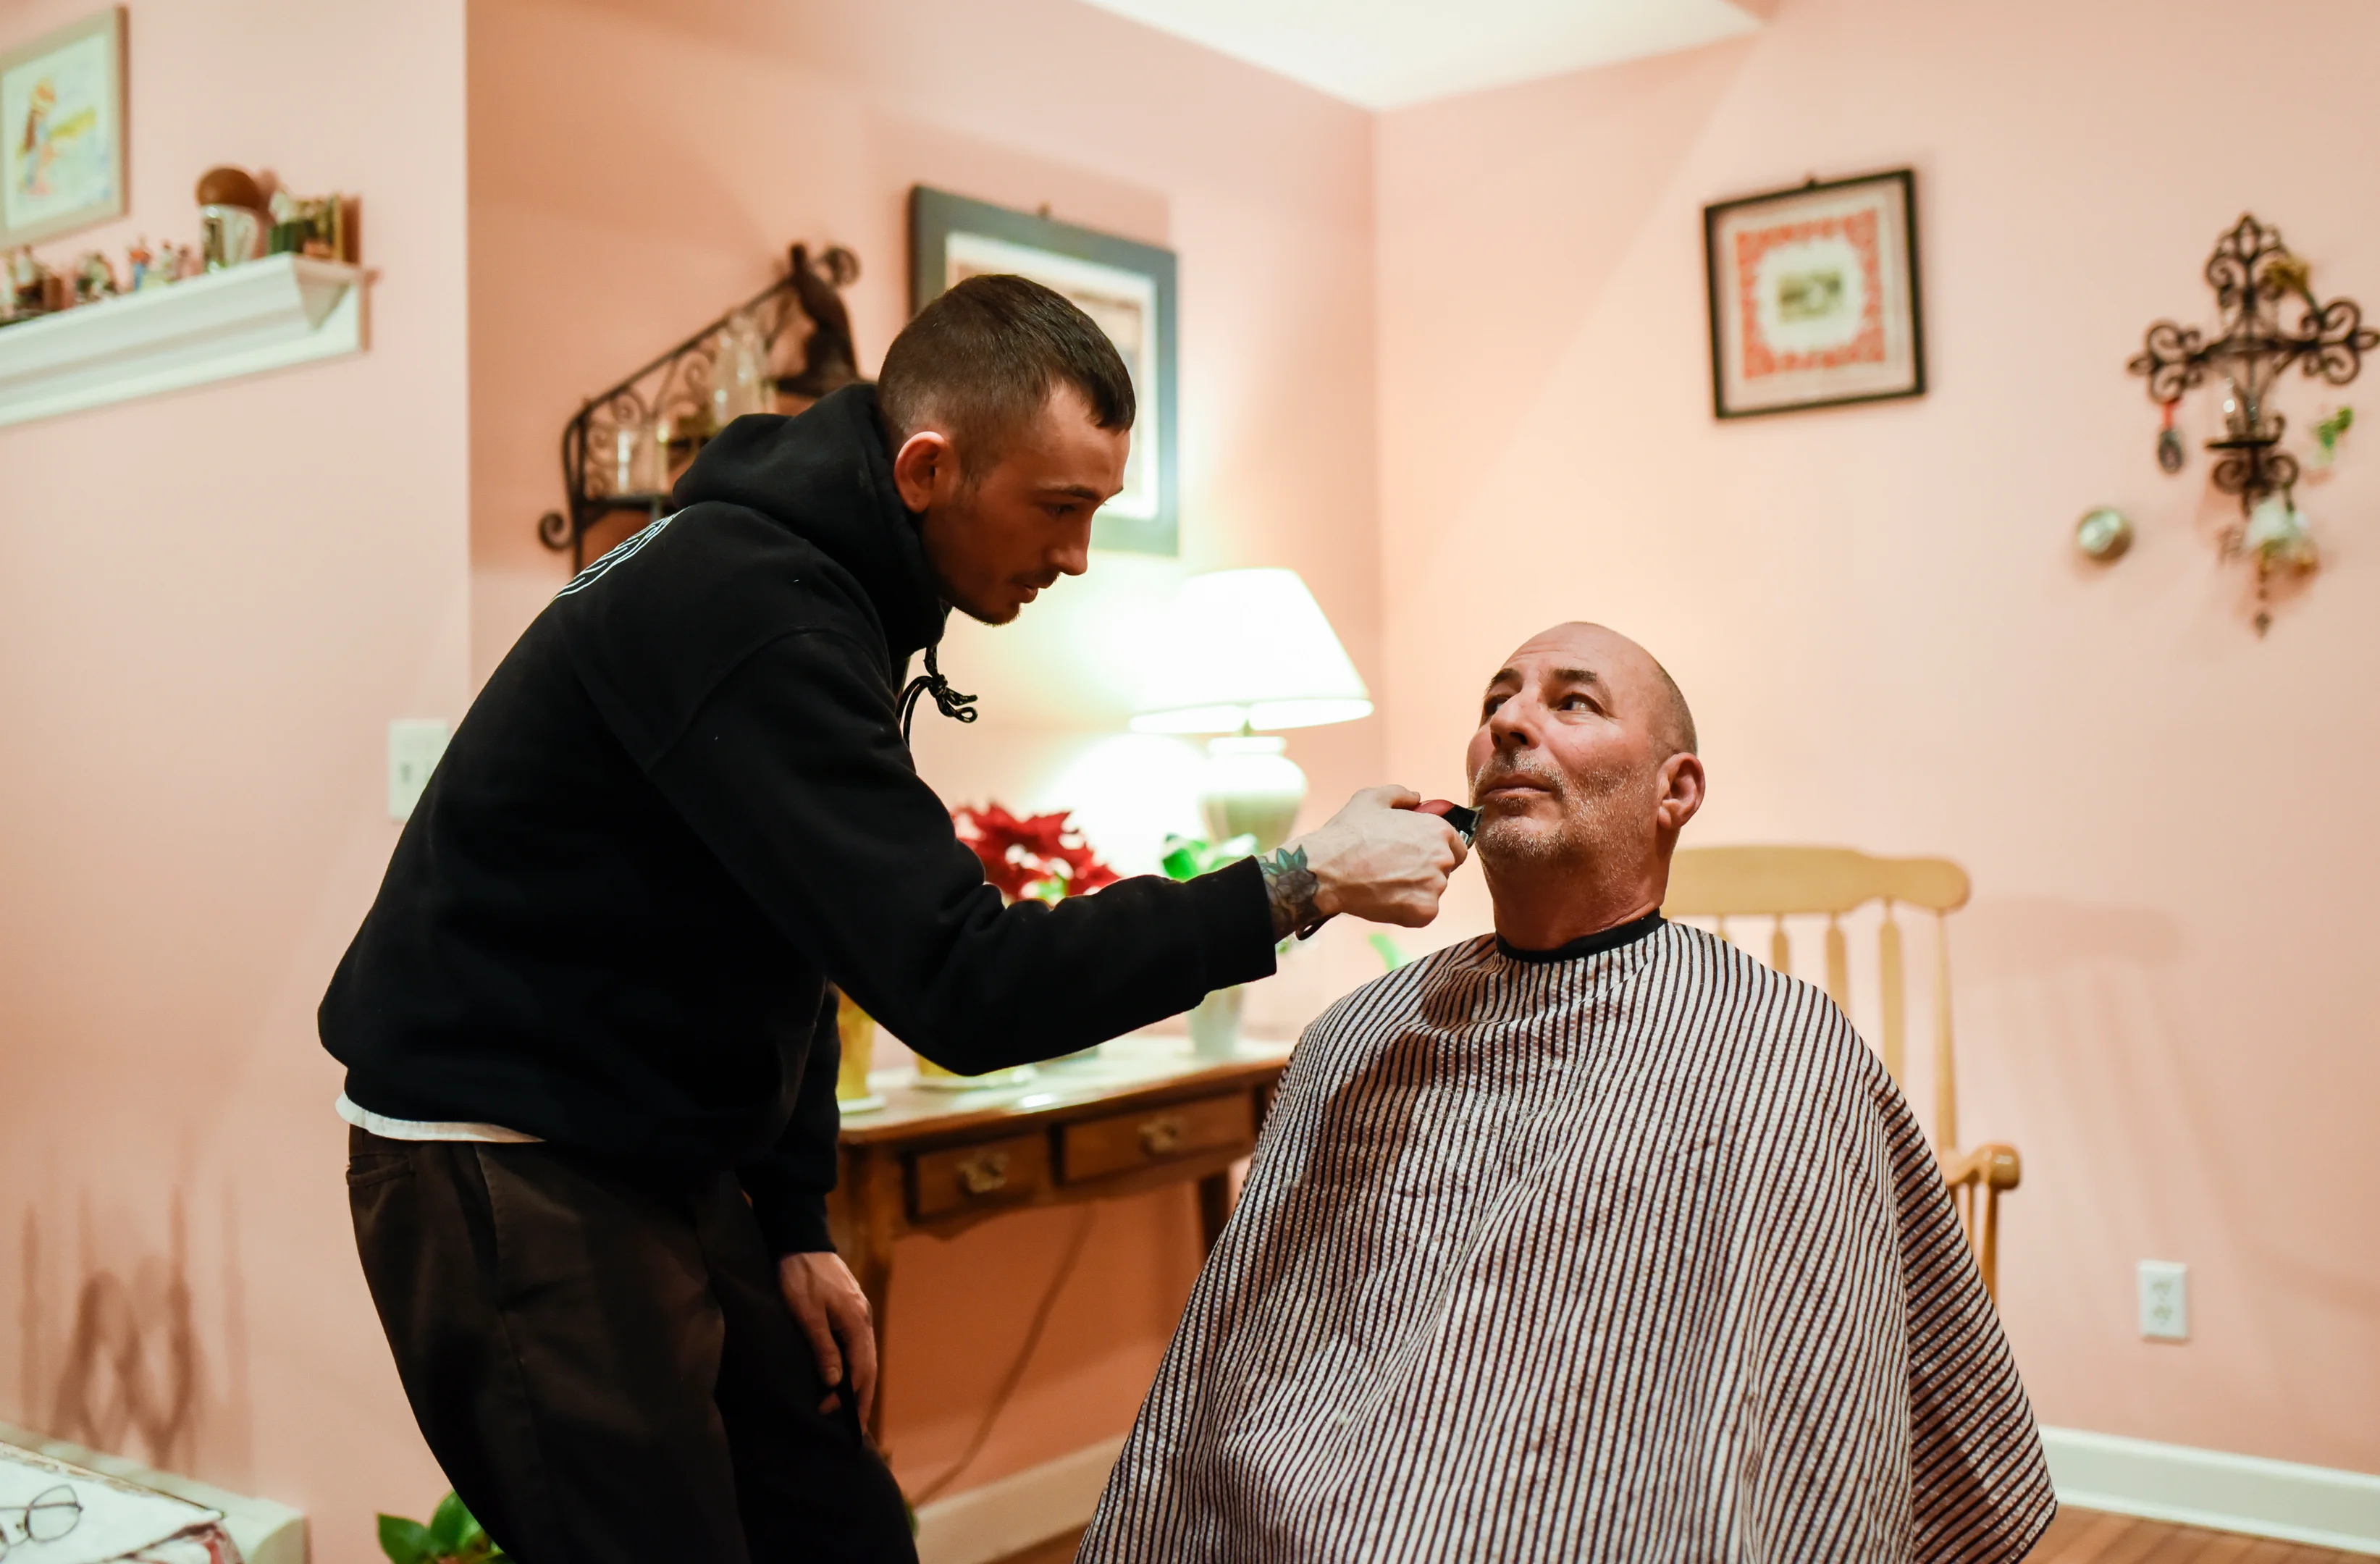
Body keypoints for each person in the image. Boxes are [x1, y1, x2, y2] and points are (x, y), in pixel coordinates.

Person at [319, 274, 1466, 1564]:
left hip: (656, 1146)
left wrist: (796, 1220)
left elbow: (787, 933)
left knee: (844, 1533)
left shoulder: (825, 587)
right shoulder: (753, 610)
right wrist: (1296, 882)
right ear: (927, 466)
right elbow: (960, 986)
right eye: (1060, 509)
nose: (1078, 559)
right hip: (504, 1145)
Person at [1079, 622, 2057, 1564]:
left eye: (1570, 703)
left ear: (1676, 789)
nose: (1508, 722)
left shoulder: (1777, 1049)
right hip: (1311, 1507)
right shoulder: (1356, 1036)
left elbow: (1816, 1397)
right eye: (1495, 702)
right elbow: (1242, 1357)